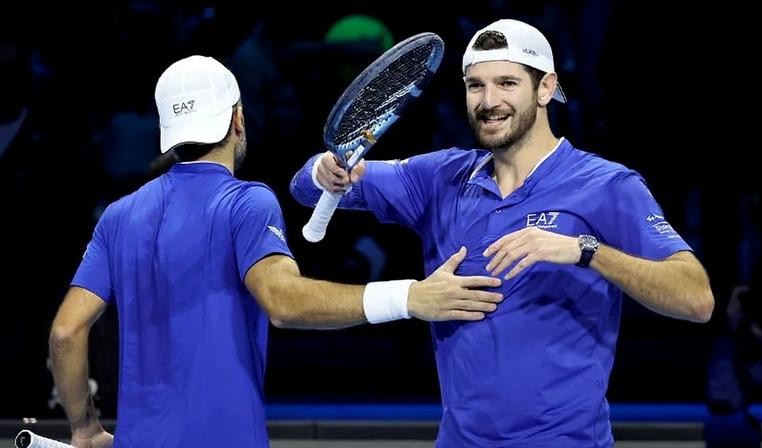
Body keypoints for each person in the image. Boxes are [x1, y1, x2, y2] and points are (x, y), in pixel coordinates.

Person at [290, 19, 715, 447]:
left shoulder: (607, 185)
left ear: (545, 89)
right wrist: (326, 170)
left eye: (507, 83)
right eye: (476, 86)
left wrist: (585, 250)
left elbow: (696, 299)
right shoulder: (439, 178)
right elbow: (306, 187)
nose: (489, 102)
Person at [48, 55, 504, 448]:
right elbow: (282, 303)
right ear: (237, 120)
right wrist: (409, 297)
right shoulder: (246, 201)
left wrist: (85, 429)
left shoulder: (119, 215)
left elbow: (66, 332)